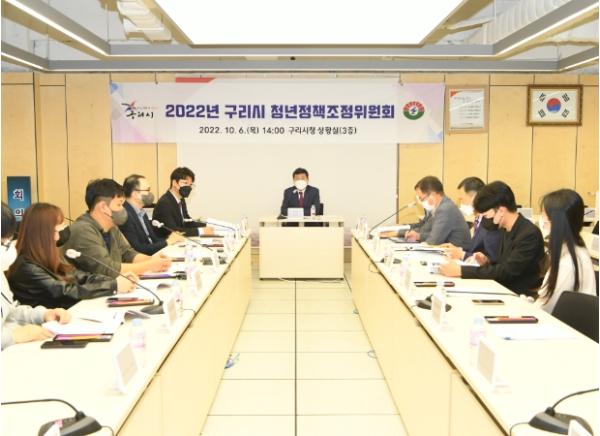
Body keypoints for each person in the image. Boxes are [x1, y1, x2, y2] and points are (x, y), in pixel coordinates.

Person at [8, 203, 136, 309]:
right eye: (55, 231)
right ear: (41, 234)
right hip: (42, 326)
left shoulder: (44, 257)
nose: (57, 237)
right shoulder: (26, 266)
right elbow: (65, 292)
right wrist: (113, 286)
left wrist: (115, 280)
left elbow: (78, 276)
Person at [440, 181, 545, 295]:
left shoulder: (529, 234)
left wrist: (461, 270)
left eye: (485, 215)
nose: (484, 220)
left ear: (501, 211)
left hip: (516, 294)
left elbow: (507, 272)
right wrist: (486, 262)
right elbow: (501, 265)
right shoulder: (505, 229)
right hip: (499, 287)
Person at [62, 179, 171, 278]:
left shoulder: (111, 226)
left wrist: (154, 260)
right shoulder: (83, 230)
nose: (123, 209)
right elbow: (107, 269)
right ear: (103, 207)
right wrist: (149, 265)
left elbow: (128, 253)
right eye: (119, 205)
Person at [1, 202, 71, 349]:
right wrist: (13, 336)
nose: (6, 248)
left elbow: (10, 312)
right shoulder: (25, 266)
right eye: (2, 243)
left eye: (7, 242)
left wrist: (43, 314)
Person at [536, 189, 595, 313]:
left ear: (557, 222)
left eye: (544, 216)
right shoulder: (574, 248)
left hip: (559, 321)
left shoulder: (567, 263)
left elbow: (546, 307)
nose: (542, 222)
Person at [119, 174, 184, 255]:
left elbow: (153, 240)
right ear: (135, 194)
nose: (150, 194)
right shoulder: (124, 216)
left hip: (153, 256)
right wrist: (168, 242)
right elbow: (138, 249)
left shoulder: (141, 212)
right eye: (147, 190)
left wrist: (171, 239)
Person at [401, 176, 471, 249]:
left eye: (422, 199)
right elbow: (436, 235)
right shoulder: (443, 206)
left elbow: (433, 242)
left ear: (432, 195)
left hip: (458, 253)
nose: (421, 202)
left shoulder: (445, 209)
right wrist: (418, 236)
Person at [444, 177, 501, 263]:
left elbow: (491, 259)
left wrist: (462, 254)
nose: (460, 203)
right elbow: (474, 248)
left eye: (462, 199)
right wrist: (458, 250)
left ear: (476, 197)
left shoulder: (492, 220)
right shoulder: (479, 218)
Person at [153, 167, 212, 237]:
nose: (188, 187)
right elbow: (173, 231)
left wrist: (209, 226)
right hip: (166, 241)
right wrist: (201, 231)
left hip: (179, 240)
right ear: (174, 183)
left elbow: (188, 222)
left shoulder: (181, 200)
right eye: (185, 183)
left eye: (190, 185)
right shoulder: (164, 203)